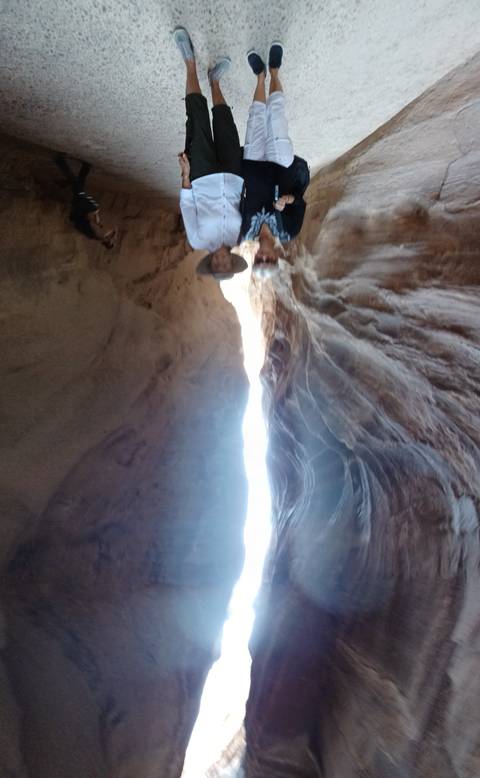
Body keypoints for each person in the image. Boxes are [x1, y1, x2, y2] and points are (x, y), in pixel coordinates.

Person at [173, 27, 248, 281]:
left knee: (198, 119)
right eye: (225, 264)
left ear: (211, 262)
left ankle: (190, 62)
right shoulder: (241, 235)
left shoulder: (197, 239)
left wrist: (185, 176)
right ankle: (214, 80)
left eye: (215, 264)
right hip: (233, 176)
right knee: (226, 123)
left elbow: (186, 204)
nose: (220, 260)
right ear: (232, 261)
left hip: (202, 177)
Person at [241, 43, 310, 277]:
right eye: (268, 260)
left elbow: (234, 200)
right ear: (275, 258)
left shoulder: (245, 233)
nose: (263, 256)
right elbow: (301, 203)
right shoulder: (289, 231)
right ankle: (274, 71)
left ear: (255, 258)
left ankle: (260, 77)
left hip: (251, 162)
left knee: (256, 118)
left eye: (259, 260)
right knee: (277, 116)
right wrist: (289, 199)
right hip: (281, 166)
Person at [54, 154, 117, 249]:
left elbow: (94, 225)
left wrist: (96, 214)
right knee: (78, 187)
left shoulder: (96, 235)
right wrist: (97, 216)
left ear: (106, 241)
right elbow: (95, 222)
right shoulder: (95, 235)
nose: (110, 239)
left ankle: (61, 162)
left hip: (82, 208)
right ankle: (83, 167)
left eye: (110, 241)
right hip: (80, 209)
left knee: (77, 187)